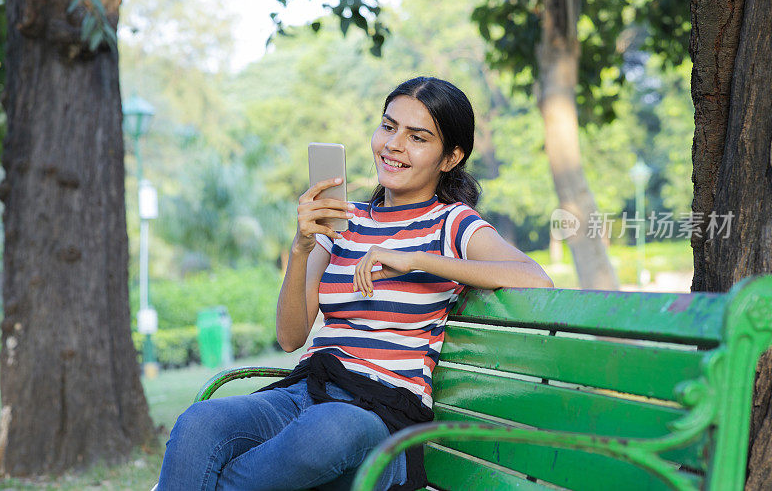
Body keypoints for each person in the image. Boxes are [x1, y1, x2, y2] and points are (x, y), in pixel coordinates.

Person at [157, 76, 553, 491]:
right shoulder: (345, 221)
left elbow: (535, 279)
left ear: (450, 157)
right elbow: (291, 336)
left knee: (328, 431)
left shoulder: (451, 222)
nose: (393, 145)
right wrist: (301, 246)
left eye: (417, 137)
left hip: (382, 419)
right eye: (388, 126)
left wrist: (418, 259)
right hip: (308, 393)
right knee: (199, 423)